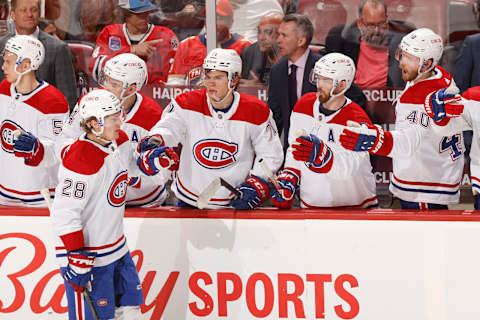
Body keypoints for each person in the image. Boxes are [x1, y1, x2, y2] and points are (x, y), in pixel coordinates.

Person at [51, 89, 172, 319]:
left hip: (117, 247)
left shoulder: (119, 140)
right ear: (95, 124)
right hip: (88, 258)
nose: (121, 122)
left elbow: (129, 168)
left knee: (131, 310)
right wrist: (75, 254)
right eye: (114, 118)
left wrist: (151, 160)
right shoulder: (80, 159)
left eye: (120, 115)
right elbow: (64, 213)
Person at [340, 28, 467, 209]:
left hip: (424, 187)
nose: (400, 63)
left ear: (427, 63)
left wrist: (374, 139)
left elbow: (409, 141)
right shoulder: (438, 76)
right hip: (433, 174)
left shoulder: (422, 97)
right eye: (402, 54)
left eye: (409, 58)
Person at [143, 48, 283, 209]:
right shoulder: (186, 103)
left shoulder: (256, 111)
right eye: (208, 77)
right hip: (189, 199)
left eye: (218, 77)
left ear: (234, 79)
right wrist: (156, 139)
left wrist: (257, 182)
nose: (210, 83)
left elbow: (270, 154)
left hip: (232, 203)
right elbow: (168, 128)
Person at [60, 53, 172, 207]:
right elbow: (65, 138)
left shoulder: (152, 115)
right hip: (100, 200)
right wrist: (77, 159)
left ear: (131, 88)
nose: (105, 87)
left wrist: (132, 175)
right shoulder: (90, 102)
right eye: (105, 80)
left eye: (113, 84)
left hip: (143, 203)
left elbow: (163, 174)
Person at [271, 53, 377, 209]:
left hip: (355, 208)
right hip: (311, 205)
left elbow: (349, 169)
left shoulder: (357, 121)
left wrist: (324, 157)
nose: (319, 84)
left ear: (342, 85)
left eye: (326, 80)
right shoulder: (303, 106)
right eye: (318, 77)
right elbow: (295, 151)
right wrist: (290, 176)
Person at [268, 13, 366, 149]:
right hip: (294, 149)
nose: (278, 40)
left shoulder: (325, 66)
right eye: (279, 35)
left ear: (301, 41)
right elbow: (275, 118)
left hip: (328, 148)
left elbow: (357, 98)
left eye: (284, 35)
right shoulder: (277, 71)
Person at [0, 35, 68, 206]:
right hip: (4, 192)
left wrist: (37, 149)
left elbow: (61, 150)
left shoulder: (54, 101)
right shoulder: (3, 89)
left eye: (8, 62)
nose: (3, 67)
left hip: (40, 196)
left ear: (26, 65)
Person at [0, 0, 77, 110]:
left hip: (45, 120)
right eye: (23, 10)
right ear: (12, 15)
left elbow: (68, 99)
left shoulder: (58, 48)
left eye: (34, 10)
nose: (29, 14)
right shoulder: (1, 45)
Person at [325, 0, 414, 89]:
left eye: (381, 24)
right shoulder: (341, 42)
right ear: (360, 24)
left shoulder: (403, 42)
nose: (376, 31)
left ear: (387, 20)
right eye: (371, 25)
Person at [89, 0, 179, 85]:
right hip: (117, 94)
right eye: (139, 14)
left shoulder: (166, 36)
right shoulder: (110, 33)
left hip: (156, 95)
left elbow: (179, 73)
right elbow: (95, 68)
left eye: (147, 11)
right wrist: (131, 50)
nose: (145, 16)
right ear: (125, 14)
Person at [167, 0, 251, 86]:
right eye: (209, 17)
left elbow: (248, 86)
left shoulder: (245, 47)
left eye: (219, 18)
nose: (213, 23)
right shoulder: (187, 45)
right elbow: (174, 84)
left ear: (230, 22)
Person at [240, 11, 283, 85]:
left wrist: (260, 88)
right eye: (259, 31)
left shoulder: (294, 55)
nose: (261, 38)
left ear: (282, 34)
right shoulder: (249, 53)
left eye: (268, 32)